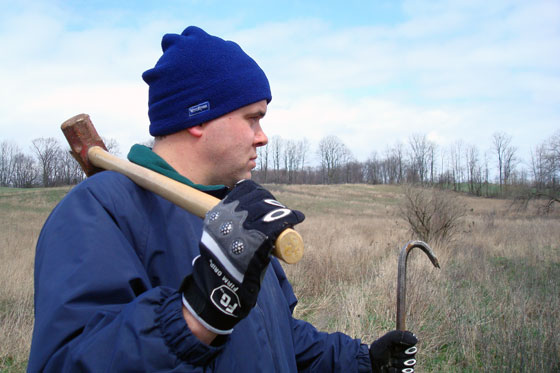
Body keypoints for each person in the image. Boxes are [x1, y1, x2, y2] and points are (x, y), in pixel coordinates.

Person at [28, 26, 418, 372]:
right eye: (253, 117)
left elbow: (274, 337)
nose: (263, 136)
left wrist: (361, 362)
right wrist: (196, 316)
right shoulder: (100, 210)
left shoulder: (236, 214)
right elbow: (68, 361)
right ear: (197, 118)